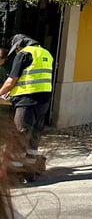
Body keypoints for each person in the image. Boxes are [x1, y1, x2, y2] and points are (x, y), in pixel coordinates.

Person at [0, 34, 55, 177]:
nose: (16, 52)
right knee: (34, 138)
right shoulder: (46, 53)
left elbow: (11, 81)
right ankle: (31, 173)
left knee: (20, 136)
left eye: (16, 49)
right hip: (44, 101)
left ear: (19, 45)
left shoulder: (24, 54)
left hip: (26, 101)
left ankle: (16, 174)